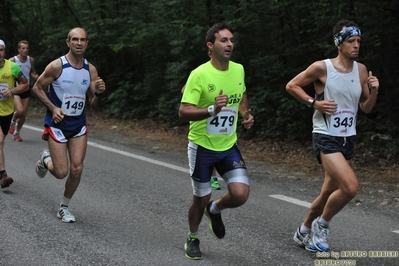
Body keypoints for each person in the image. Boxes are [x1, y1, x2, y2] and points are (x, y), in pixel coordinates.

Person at [286, 19, 379, 252]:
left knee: (328, 191)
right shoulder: (322, 68)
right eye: (351, 41)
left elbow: (366, 108)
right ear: (339, 44)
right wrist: (314, 103)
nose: (356, 45)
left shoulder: (361, 70)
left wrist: (375, 90)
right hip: (325, 135)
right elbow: (292, 85)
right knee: (349, 187)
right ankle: (321, 226)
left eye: (358, 41)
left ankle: (303, 230)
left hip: (347, 137)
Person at [179, 21, 254, 260]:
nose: (230, 44)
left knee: (240, 193)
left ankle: (216, 208)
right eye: (224, 40)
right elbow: (183, 111)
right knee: (200, 199)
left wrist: (246, 113)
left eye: (232, 40)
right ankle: (192, 238)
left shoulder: (239, 69)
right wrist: (211, 110)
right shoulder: (199, 74)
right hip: (202, 146)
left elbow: (241, 94)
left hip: (228, 144)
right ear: (210, 46)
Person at [32, 27, 106, 223]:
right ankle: (45, 158)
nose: (79, 43)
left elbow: (93, 104)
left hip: (78, 125)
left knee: (77, 169)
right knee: (60, 172)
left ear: (87, 43)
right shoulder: (57, 66)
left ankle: (64, 207)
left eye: (82, 40)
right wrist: (53, 108)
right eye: (75, 39)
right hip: (57, 124)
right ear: (68, 42)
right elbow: (37, 87)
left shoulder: (90, 69)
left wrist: (97, 93)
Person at [181, 84, 221, 191]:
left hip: (221, 120)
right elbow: (184, 90)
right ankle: (213, 178)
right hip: (203, 120)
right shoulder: (199, 74)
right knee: (209, 148)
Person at [0, 39, 29, 188]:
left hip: (6, 112)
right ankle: (3, 175)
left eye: (1, 50)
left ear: (4, 51)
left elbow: (25, 84)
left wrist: (11, 91)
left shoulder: (12, 67)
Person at [9, 40, 39, 141]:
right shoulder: (13, 60)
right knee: (20, 110)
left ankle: (17, 132)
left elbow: (32, 72)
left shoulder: (30, 60)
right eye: (23, 48)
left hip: (26, 89)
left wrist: (39, 78)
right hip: (16, 89)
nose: (25, 50)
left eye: (27, 48)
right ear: (19, 49)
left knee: (23, 115)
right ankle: (12, 121)